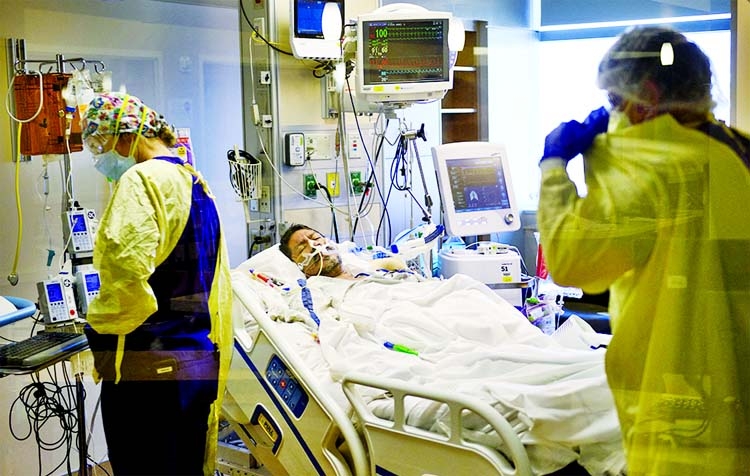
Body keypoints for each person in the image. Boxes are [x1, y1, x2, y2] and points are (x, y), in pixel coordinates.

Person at [537, 26, 750, 475]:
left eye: (614, 101)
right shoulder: (736, 151)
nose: (611, 115)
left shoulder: (654, 168)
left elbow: (571, 263)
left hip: (685, 411)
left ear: (646, 95)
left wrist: (555, 167)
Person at [81, 92, 233, 475]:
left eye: (100, 146)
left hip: (149, 371)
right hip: (196, 361)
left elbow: (126, 273)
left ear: (123, 136)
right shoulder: (194, 180)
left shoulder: (143, 180)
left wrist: (96, 325)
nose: (102, 159)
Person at [279, 223, 409, 279]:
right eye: (302, 247)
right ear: (296, 264)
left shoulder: (362, 270)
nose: (315, 244)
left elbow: (393, 264)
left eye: (316, 237)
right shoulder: (318, 293)